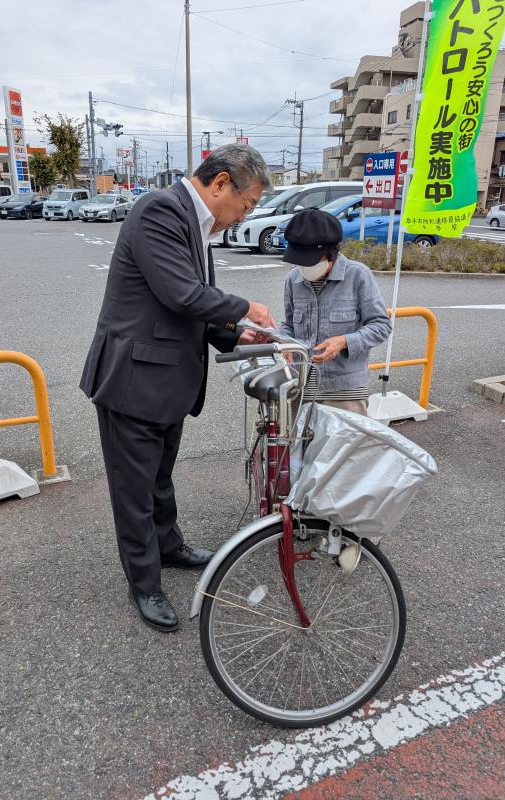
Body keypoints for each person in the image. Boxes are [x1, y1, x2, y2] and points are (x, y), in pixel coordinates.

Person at [80, 144, 276, 633]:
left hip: (166, 378)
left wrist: (234, 332)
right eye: (247, 204)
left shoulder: (195, 223)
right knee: (134, 489)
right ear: (222, 183)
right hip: (134, 380)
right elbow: (182, 293)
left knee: (159, 476)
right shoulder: (161, 209)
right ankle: (144, 582)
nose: (243, 215)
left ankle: (168, 546)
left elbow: (186, 309)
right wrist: (245, 308)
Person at [279, 208, 391, 415]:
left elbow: (381, 325)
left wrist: (343, 342)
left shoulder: (358, 275)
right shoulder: (293, 280)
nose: (303, 266)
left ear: (330, 254)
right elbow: (287, 324)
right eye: (299, 260)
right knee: (300, 447)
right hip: (301, 385)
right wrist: (284, 342)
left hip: (344, 389)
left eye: (309, 260)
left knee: (344, 446)